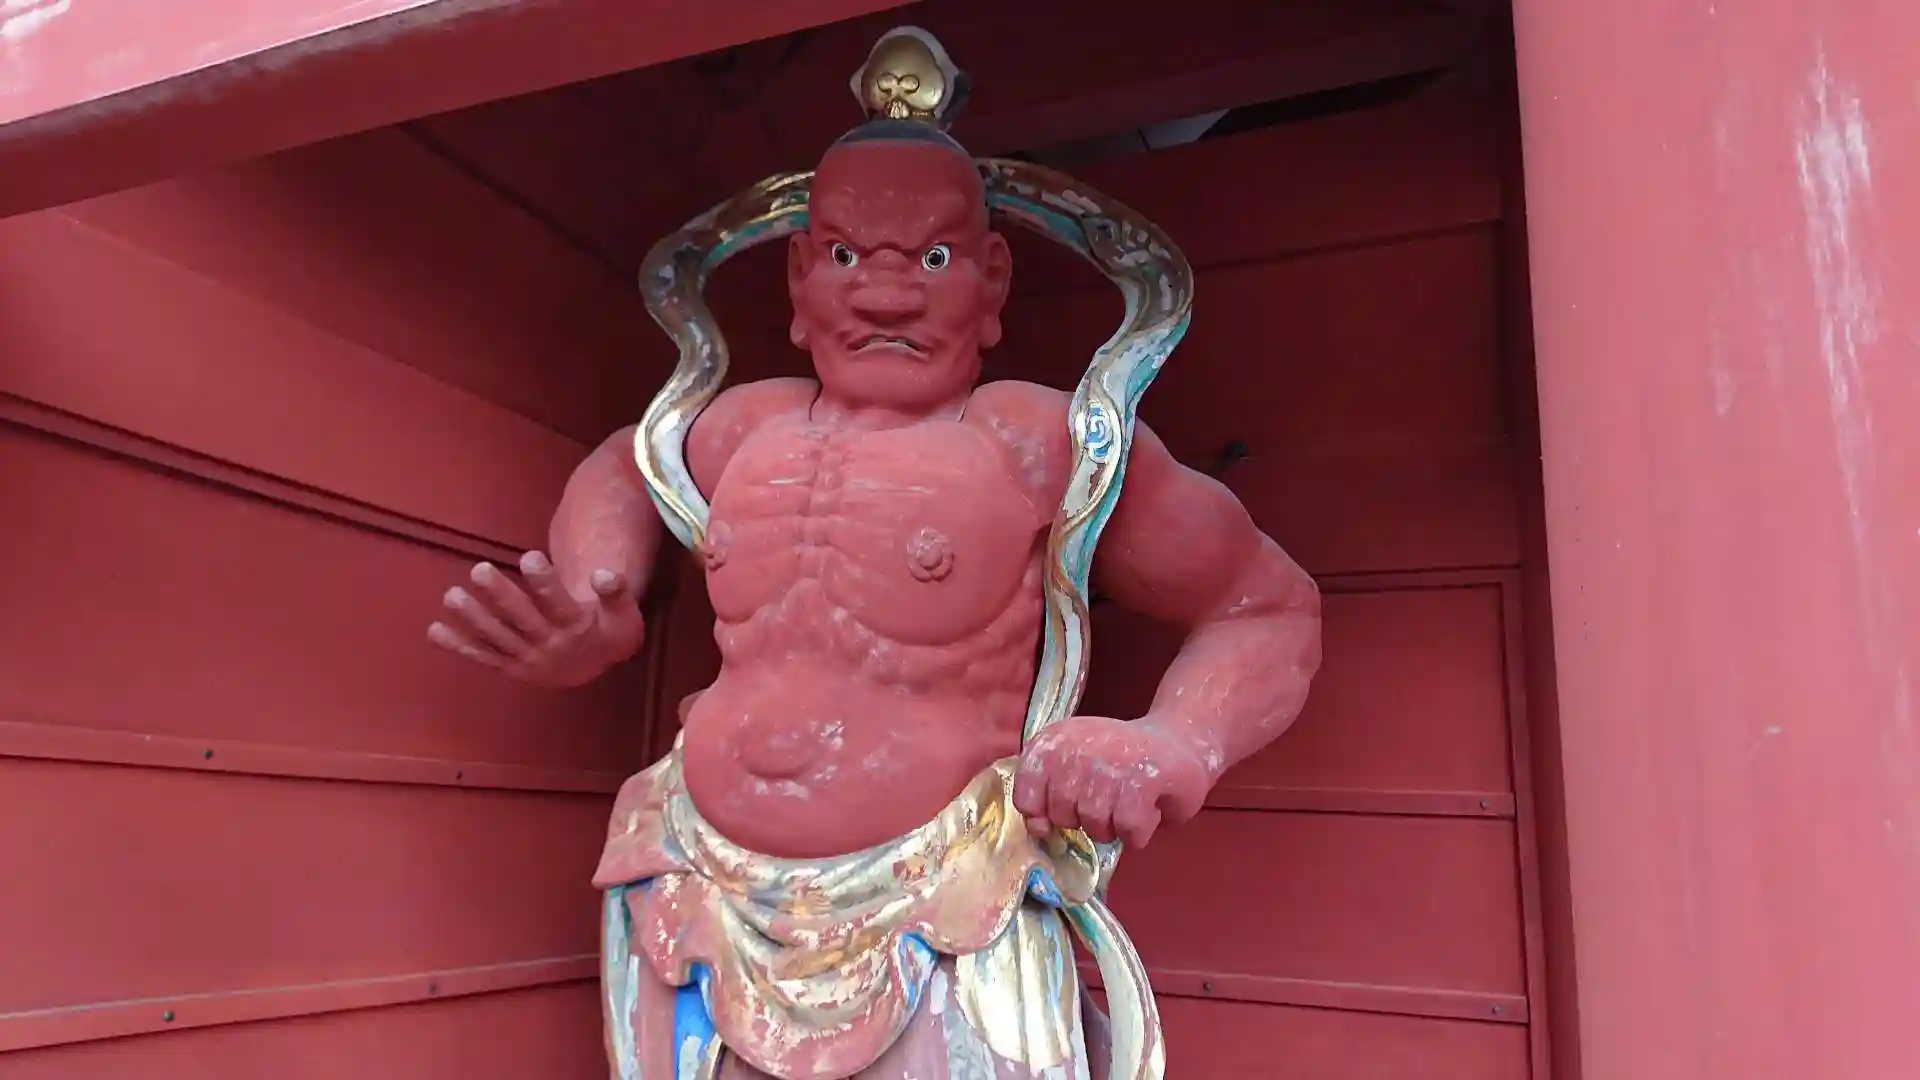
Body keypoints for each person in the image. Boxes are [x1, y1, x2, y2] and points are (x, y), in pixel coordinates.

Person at [427, 27, 1320, 1080]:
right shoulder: (740, 429)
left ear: (991, 281)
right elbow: (629, 463)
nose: (884, 295)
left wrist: (1173, 742)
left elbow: (1263, 607)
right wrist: (595, 596)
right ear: (800, 277)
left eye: (931, 259)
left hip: (946, 900)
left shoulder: (1040, 443)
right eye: (848, 256)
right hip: (696, 887)